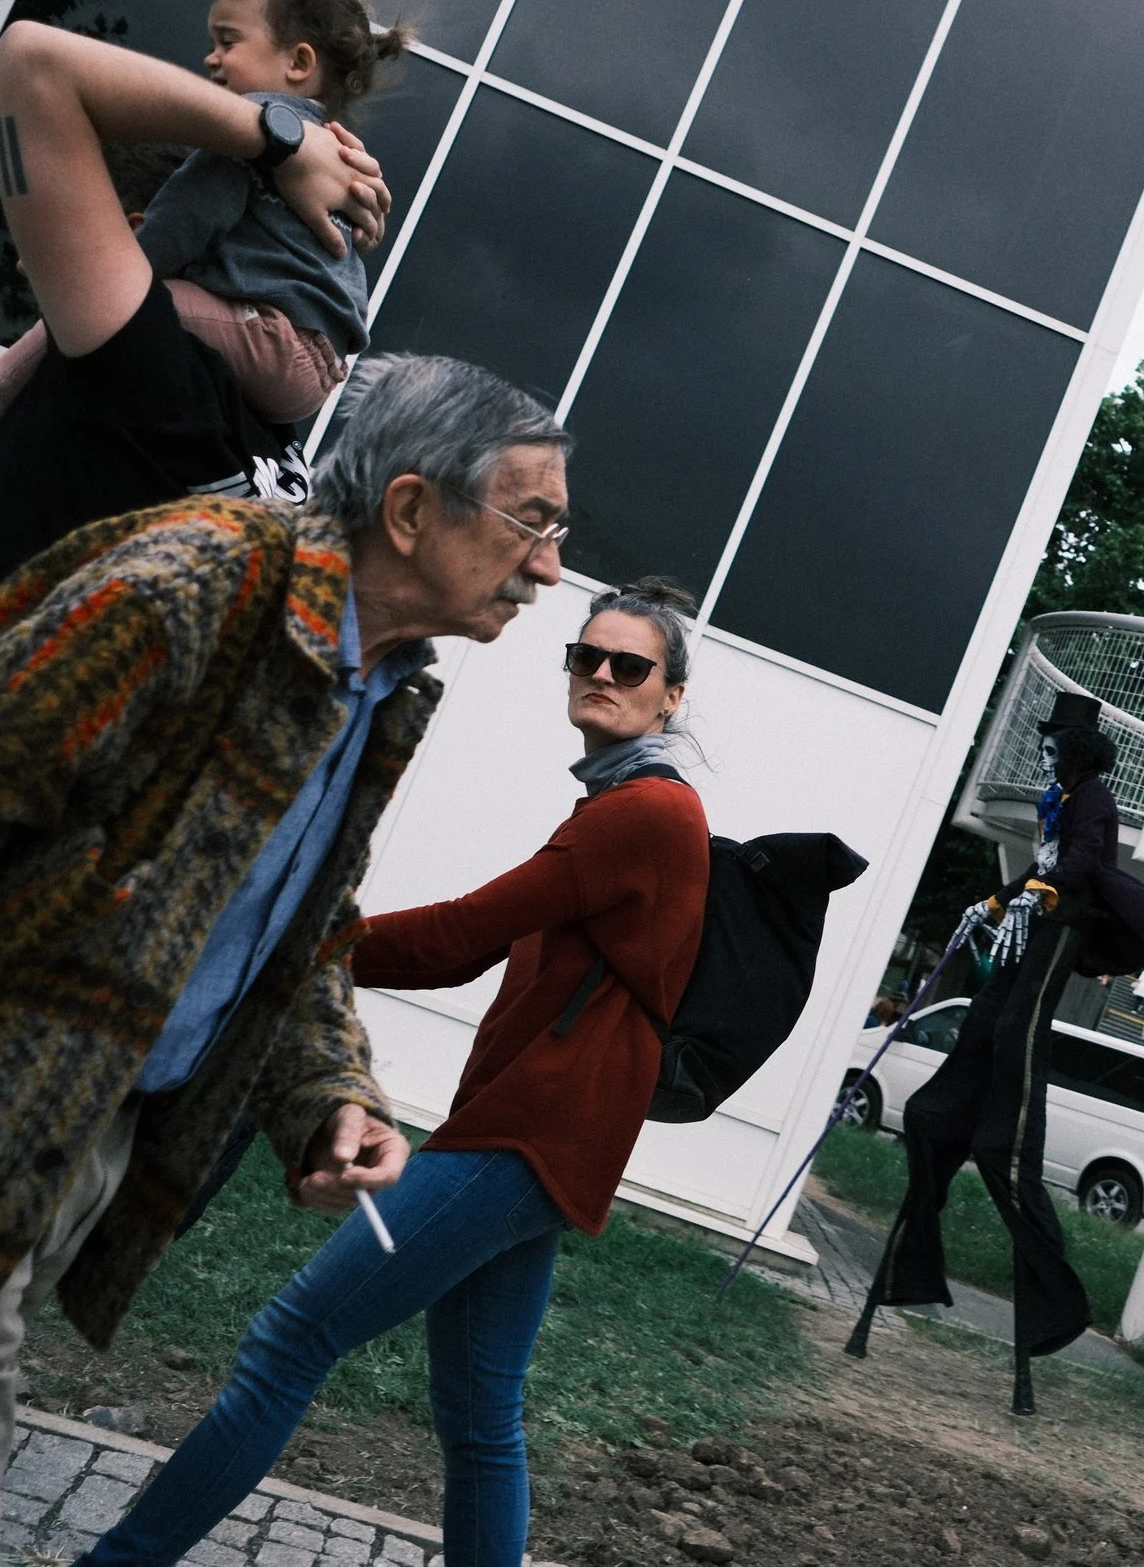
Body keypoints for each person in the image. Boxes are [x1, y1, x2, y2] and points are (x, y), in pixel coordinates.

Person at [0, 352, 567, 1562]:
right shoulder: (196, 585)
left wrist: (327, 1100)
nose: (552, 568)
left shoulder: (380, 682)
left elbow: (302, 930)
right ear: (410, 509)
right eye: (533, 521)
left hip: (77, 1131)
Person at [75, 578, 705, 1567]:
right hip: (543, 1140)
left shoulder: (646, 813)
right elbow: (470, 953)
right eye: (586, 655)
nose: (601, 675)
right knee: (479, 1411)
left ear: (671, 694)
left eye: (630, 665)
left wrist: (289, 929)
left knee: (290, 1341)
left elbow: (459, 934)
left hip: (525, 1137)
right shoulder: (623, 803)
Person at [0, 0, 392, 597]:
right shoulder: (140, 353)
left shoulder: (249, 406)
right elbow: (31, 60)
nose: (45, 250)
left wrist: (284, 149)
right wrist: (283, 137)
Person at [849, 691, 1144, 1413]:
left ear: (1078, 746)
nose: (1048, 747)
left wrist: (1035, 895)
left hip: (1064, 930)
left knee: (1014, 1033)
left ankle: (1050, 1300)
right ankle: (915, 1249)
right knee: (979, 1030)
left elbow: (1085, 866)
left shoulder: (1092, 797)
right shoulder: (1058, 796)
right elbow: (1044, 864)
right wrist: (996, 900)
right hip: (1035, 920)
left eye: (1056, 738)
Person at [0, 0, 405, 446]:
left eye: (229, 41)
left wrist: (90, 268)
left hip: (272, 339)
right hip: (318, 367)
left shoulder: (248, 142)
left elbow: (180, 224)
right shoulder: (339, 155)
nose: (210, 57)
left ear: (298, 62)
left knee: (154, 297)